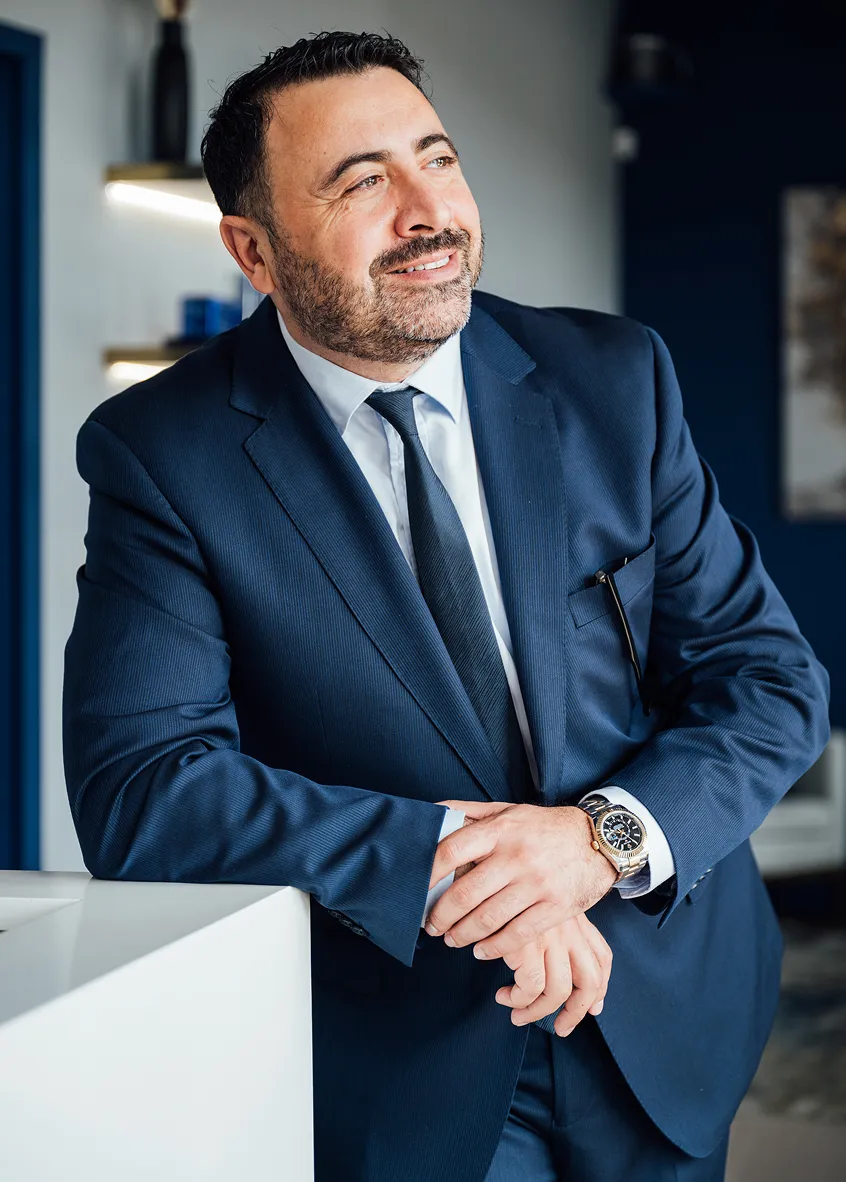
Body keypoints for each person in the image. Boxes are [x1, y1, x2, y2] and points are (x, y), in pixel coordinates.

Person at [63, 30, 829, 1182]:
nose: (429, 211)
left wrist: (594, 843)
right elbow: (144, 785)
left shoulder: (617, 380)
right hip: (405, 1057)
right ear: (252, 251)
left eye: (438, 159)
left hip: (665, 1009)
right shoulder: (161, 452)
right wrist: (472, 867)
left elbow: (770, 682)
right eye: (363, 181)